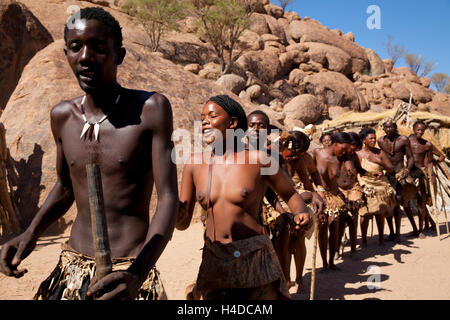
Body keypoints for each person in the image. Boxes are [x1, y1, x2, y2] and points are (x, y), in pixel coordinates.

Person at [0, 7, 179, 300]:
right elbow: (66, 186)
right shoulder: (62, 116)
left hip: (128, 272)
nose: (85, 57)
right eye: (75, 47)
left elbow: (169, 197)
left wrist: (139, 272)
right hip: (71, 269)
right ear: (66, 54)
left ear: (118, 55)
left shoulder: (151, 109)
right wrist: (29, 235)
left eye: (97, 47)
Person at [176, 95, 310, 300]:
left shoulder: (260, 160)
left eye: (212, 116)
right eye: (202, 117)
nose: (204, 121)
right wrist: (173, 210)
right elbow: (183, 223)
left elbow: (290, 194)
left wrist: (300, 212)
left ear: (232, 122)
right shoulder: (194, 164)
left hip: (254, 257)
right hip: (215, 260)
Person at [270, 129, 324, 292]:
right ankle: (285, 279)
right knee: (282, 241)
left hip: (296, 198)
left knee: (298, 239)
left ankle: (299, 278)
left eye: (298, 154)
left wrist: (317, 193)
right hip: (276, 201)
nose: (294, 157)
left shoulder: (302, 159)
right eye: (292, 154)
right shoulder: (271, 158)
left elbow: (309, 181)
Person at [313, 132, 352, 270]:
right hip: (320, 195)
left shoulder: (342, 157)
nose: (344, 151)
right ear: (335, 144)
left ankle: (331, 261)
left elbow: (349, 171)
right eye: (343, 148)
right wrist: (316, 192)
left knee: (333, 224)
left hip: (335, 196)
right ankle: (324, 262)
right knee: (322, 228)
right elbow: (310, 173)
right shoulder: (317, 153)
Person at [377, 121, 419, 240]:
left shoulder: (403, 140)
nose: (389, 129)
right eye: (386, 127)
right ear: (383, 128)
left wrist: (407, 169)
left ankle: (399, 233)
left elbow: (410, 157)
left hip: (401, 174)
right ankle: (391, 232)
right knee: (389, 205)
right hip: (388, 175)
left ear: (395, 128)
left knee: (401, 202)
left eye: (391, 126)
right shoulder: (380, 141)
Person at [356, 128, 395, 247]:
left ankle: (381, 239)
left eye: (374, 138)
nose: (374, 140)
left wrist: (379, 162)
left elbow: (390, 168)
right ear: (364, 140)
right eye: (371, 138)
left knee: (380, 212)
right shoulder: (358, 154)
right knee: (364, 213)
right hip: (366, 185)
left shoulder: (380, 152)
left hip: (380, 185)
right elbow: (357, 171)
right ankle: (363, 240)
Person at [335, 132, 366, 258]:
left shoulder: (354, 157)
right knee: (339, 222)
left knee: (353, 220)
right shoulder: (337, 156)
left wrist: (370, 174)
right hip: (338, 191)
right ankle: (336, 249)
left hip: (353, 189)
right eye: (351, 145)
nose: (353, 148)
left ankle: (353, 249)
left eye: (355, 146)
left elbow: (360, 170)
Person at [408, 121, 438, 237]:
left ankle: (420, 230)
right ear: (413, 129)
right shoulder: (407, 142)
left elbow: (429, 162)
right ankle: (426, 224)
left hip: (421, 174)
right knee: (407, 202)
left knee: (421, 202)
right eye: (418, 130)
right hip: (409, 173)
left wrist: (431, 175)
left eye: (422, 130)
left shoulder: (427, 145)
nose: (420, 132)